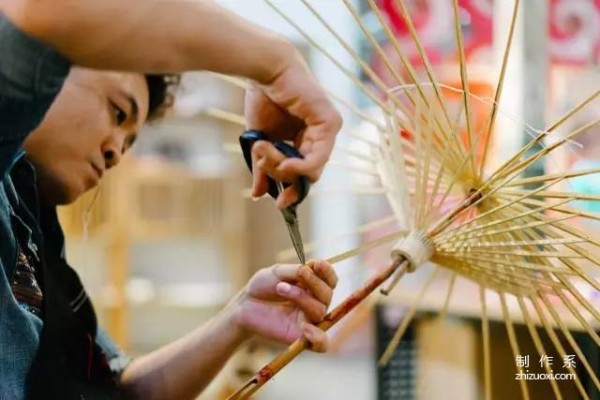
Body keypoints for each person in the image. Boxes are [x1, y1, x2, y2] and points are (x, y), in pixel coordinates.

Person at [0, 1, 342, 398]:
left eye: (129, 143)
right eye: (116, 111)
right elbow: (48, 11)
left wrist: (240, 317)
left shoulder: (36, 234)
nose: (115, 152)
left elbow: (118, 390)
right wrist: (276, 65)